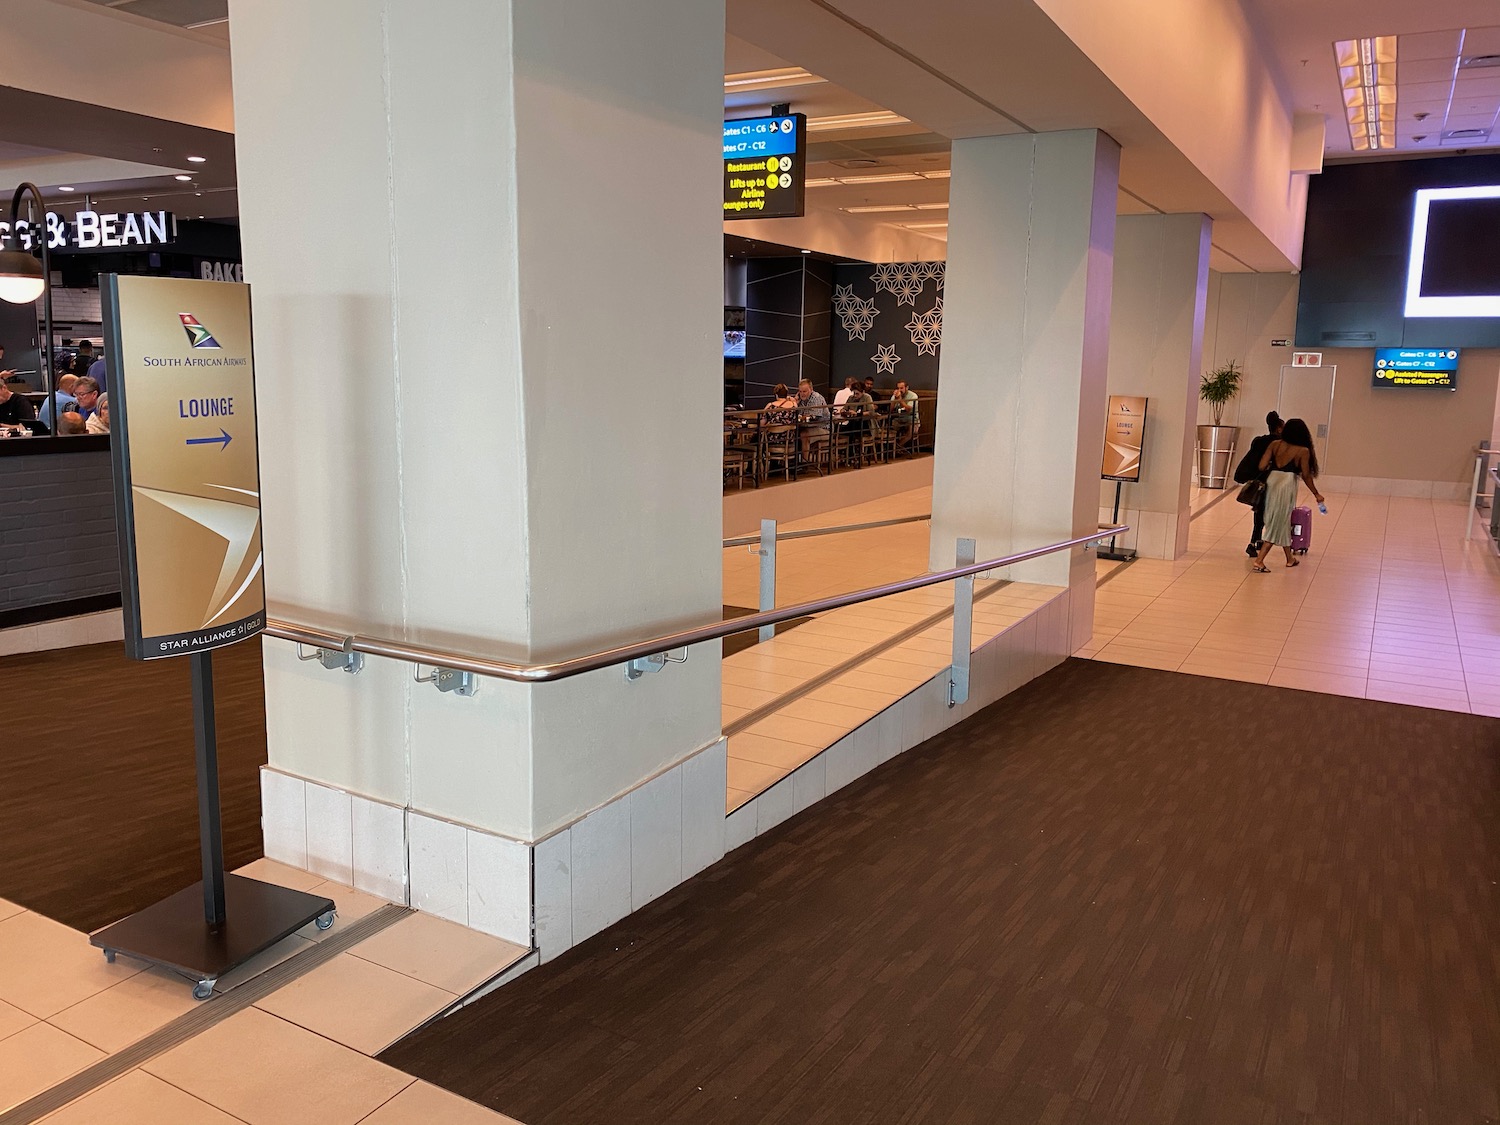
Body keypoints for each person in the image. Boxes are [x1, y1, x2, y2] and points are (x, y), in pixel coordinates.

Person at [1253, 417, 1324, 572]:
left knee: (1281, 519)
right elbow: (1306, 475)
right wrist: (1316, 494)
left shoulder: (1274, 444)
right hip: (1286, 484)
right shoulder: (1302, 451)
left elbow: (1261, 465)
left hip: (1273, 481)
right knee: (1278, 521)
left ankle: (1290, 558)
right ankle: (1259, 560)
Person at [1233, 410, 1283, 556]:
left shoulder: (1258, 441)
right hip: (1270, 482)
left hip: (1258, 482)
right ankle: (1255, 542)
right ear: (1279, 429)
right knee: (1266, 513)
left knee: (1259, 513)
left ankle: (1256, 540)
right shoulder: (1278, 444)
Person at [795, 378, 830, 457]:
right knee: (793, 433)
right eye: (800, 391)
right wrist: (795, 403)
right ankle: (793, 462)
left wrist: (801, 417)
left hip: (824, 428)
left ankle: (805, 463)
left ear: (811, 389)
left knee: (804, 434)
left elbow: (814, 417)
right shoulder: (800, 399)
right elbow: (799, 416)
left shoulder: (816, 398)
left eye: (804, 391)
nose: (802, 394)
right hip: (808, 427)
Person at [889, 380, 919, 452]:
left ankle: (896, 447)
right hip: (899, 417)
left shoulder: (913, 396)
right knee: (891, 428)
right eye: (898, 388)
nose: (899, 390)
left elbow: (908, 409)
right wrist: (895, 400)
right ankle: (894, 448)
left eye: (901, 388)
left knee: (911, 431)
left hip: (911, 417)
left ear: (907, 388)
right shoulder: (895, 395)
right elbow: (891, 409)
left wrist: (900, 400)